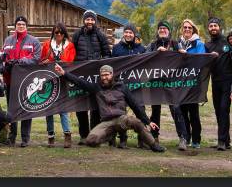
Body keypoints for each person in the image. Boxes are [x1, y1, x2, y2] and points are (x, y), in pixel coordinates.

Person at [53, 63, 166, 153]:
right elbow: (79, 82)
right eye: (103, 75)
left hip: (122, 119)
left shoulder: (122, 87)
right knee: (90, 141)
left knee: (136, 122)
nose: (105, 77)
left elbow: (135, 105)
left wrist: (148, 121)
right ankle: (109, 136)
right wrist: (63, 73)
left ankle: (154, 145)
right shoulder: (96, 88)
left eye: (107, 74)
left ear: (112, 74)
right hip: (107, 122)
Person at [146, 20, 190, 151]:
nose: (162, 30)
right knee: (155, 110)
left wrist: (183, 53)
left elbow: (185, 58)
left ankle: (183, 138)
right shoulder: (153, 44)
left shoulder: (175, 43)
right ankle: (154, 137)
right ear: (158, 31)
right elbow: (144, 58)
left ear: (169, 31)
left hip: (171, 82)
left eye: (165, 28)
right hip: (155, 82)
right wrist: (156, 52)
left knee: (176, 109)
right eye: (160, 28)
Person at [71, 10, 111, 144]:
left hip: (95, 76)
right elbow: (71, 53)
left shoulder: (100, 35)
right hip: (81, 75)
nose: (89, 21)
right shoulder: (77, 35)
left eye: (92, 19)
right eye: (87, 19)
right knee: (80, 106)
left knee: (95, 106)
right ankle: (83, 135)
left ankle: (93, 136)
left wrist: (100, 63)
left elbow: (107, 54)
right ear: (84, 20)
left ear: (95, 21)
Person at [2, 16, 42, 147]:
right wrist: (5, 64)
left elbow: (36, 58)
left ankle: (25, 138)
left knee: (26, 108)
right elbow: (3, 56)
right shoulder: (8, 40)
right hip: (10, 80)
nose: (20, 26)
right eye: (18, 24)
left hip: (26, 80)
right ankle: (12, 136)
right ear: (15, 26)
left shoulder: (33, 41)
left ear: (26, 26)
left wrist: (21, 61)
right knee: (11, 109)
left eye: (23, 24)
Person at [40, 22, 76, 148]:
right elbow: (42, 60)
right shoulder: (46, 44)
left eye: (61, 32)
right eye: (56, 32)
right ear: (53, 33)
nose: (59, 34)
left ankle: (67, 136)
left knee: (63, 109)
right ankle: (51, 137)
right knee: (48, 108)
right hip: (49, 80)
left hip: (63, 80)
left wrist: (61, 62)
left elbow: (71, 62)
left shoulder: (70, 46)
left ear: (64, 33)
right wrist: (45, 61)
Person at [110, 23, 145, 148]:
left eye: (131, 32)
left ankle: (142, 140)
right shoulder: (116, 48)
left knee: (140, 111)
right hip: (121, 86)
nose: (128, 34)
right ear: (123, 33)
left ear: (135, 34)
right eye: (126, 32)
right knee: (120, 113)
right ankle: (122, 139)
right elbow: (112, 66)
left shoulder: (141, 49)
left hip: (137, 86)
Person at [204, 17, 232, 151]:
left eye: (215, 26)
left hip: (228, 81)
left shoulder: (228, 41)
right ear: (208, 29)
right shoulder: (207, 45)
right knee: (218, 111)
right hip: (215, 82)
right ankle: (226, 141)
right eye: (211, 26)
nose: (213, 28)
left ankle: (221, 141)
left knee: (223, 110)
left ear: (219, 27)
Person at [177, 19, 206, 149]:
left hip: (194, 83)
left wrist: (187, 55)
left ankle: (196, 139)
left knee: (193, 113)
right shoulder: (178, 44)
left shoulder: (198, 44)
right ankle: (186, 138)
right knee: (183, 112)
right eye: (185, 27)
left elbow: (201, 61)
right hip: (181, 84)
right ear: (182, 29)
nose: (187, 29)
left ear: (193, 29)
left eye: (189, 27)